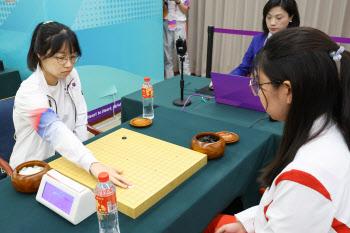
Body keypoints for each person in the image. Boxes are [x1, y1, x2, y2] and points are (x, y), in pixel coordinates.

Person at [204, 27, 350, 233]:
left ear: (287, 90)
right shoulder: (332, 125)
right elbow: (288, 211)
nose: (257, 92)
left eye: (259, 84)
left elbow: (294, 207)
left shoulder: (306, 179)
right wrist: (248, 224)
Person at [10, 21, 132, 189]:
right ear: (40, 54)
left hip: (66, 160)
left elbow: (80, 115)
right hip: (33, 171)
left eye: (73, 56)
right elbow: (54, 130)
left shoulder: (71, 75)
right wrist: (91, 164)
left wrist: (84, 157)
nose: (68, 64)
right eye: (60, 58)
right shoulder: (29, 92)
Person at [209, 0, 300, 88]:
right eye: (268, 17)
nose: (272, 23)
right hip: (258, 92)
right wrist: (225, 80)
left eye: (279, 18)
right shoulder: (257, 40)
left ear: (291, 17)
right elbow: (244, 68)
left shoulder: (298, 43)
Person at [163, 0, 191, 80]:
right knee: (167, 55)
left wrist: (177, 1)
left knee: (182, 54)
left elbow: (185, 10)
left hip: (179, 23)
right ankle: (169, 79)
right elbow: (160, 8)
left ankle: (186, 79)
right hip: (166, 22)